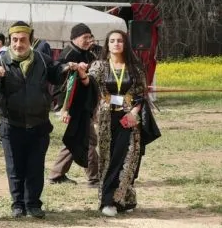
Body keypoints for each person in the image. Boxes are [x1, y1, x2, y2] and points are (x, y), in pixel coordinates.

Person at [65, 29, 159, 217]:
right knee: (109, 159)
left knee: (129, 157)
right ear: (107, 44)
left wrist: (134, 113)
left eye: (120, 41)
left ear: (125, 44)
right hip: (107, 119)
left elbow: (141, 94)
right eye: (112, 41)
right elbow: (89, 86)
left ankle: (122, 198)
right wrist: (83, 74)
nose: (116, 44)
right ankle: (107, 201)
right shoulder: (99, 66)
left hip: (129, 118)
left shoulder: (134, 68)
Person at [0, 22, 75, 219]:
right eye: (14, 40)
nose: (18, 44)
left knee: (35, 166)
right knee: (14, 167)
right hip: (10, 124)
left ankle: (33, 204)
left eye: (23, 40)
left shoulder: (42, 59)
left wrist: (67, 68)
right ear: (10, 40)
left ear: (30, 40)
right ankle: (17, 204)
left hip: (38, 124)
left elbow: (56, 75)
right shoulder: (0, 61)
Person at [49, 24, 100, 186]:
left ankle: (57, 174)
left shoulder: (88, 53)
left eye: (90, 37)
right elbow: (61, 85)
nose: (88, 40)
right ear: (74, 38)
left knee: (75, 137)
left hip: (85, 103)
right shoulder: (68, 55)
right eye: (85, 37)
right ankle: (95, 177)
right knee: (89, 139)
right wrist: (65, 109)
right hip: (74, 105)